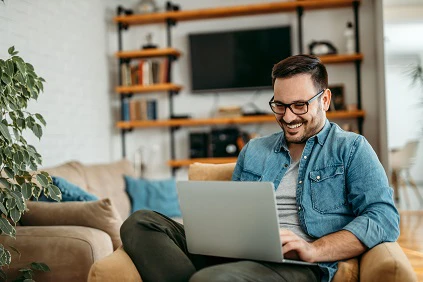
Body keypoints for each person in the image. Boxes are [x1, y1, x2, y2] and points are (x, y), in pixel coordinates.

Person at [121, 54, 400, 282]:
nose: (288, 116)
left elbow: (384, 218)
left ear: (325, 100)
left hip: (296, 265)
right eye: (279, 105)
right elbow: (234, 215)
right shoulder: (254, 149)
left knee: (213, 280)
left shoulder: (351, 148)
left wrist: (314, 250)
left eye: (300, 105)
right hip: (237, 255)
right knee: (140, 221)